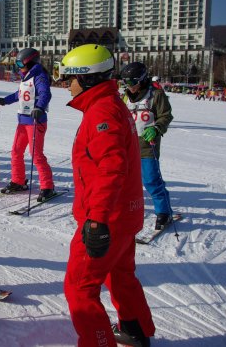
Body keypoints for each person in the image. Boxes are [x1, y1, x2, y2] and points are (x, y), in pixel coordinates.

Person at [59, 44, 155, 347]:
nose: (65, 86)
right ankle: (135, 329)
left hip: (107, 218)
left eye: (68, 78)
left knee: (79, 286)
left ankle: (98, 342)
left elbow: (111, 169)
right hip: (123, 215)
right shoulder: (110, 104)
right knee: (120, 275)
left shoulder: (102, 111)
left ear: (85, 78)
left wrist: (97, 220)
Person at [0, 47, 55, 202]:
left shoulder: (39, 76)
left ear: (30, 62)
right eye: (17, 65)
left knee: (36, 155)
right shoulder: (26, 76)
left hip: (35, 121)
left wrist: (39, 107)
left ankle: (47, 186)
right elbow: (19, 94)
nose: (19, 68)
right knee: (16, 151)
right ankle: (18, 181)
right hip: (23, 121)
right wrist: (5, 100)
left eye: (21, 64)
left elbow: (45, 93)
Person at [121, 61, 174, 231]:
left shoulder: (156, 95)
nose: (129, 86)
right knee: (126, 180)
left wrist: (157, 128)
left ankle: (164, 212)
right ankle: (128, 208)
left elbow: (166, 115)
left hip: (147, 146)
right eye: (125, 83)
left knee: (151, 180)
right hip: (127, 145)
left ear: (142, 80)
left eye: (132, 82)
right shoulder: (124, 96)